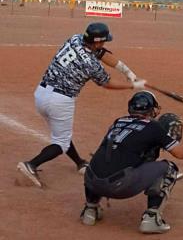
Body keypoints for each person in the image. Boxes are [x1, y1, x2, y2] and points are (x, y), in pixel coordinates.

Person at [17, 22, 146, 188]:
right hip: (60, 100)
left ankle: (79, 163)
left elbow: (102, 54)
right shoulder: (92, 65)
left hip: (41, 94)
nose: (104, 44)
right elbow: (107, 83)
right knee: (61, 143)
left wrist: (128, 72)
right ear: (97, 41)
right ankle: (31, 165)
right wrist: (132, 85)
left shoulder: (75, 39)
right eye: (104, 41)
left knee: (61, 133)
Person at [80, 91, 183, 234]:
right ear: (152, 109)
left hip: (92, 181)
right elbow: (181, 154)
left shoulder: (118, 122)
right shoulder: (154, 127)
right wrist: (167, 138)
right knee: (169, 168)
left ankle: (90, 209)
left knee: (103, 162)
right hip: (120, 185)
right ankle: (151, 219)